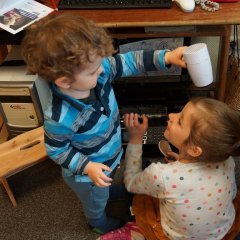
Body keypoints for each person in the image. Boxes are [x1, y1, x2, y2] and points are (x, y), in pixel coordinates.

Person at [21, 13, 187, 234]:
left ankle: (109, 192)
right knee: (95, 201)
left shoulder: (97, 72)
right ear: (64, 81)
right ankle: (96, 221)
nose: (102, 70)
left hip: (109, 155)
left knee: (106, 186)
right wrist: (87, 167)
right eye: (93, 70)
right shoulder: (60, 118)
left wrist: (165, 58)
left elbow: (127, 62)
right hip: (87, 175)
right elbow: (56, 149)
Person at [98, 97, 240, 239]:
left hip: (175, 235)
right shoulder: (226, 159)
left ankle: (133, 227)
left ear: (194, 150)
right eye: (180, 112)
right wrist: (180, 160)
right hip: (220, 232)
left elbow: (130, 182)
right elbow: (231, 193)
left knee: (142, 171)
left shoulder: (162, 175)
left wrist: (135, 139)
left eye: (180, 121)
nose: (172, 115)